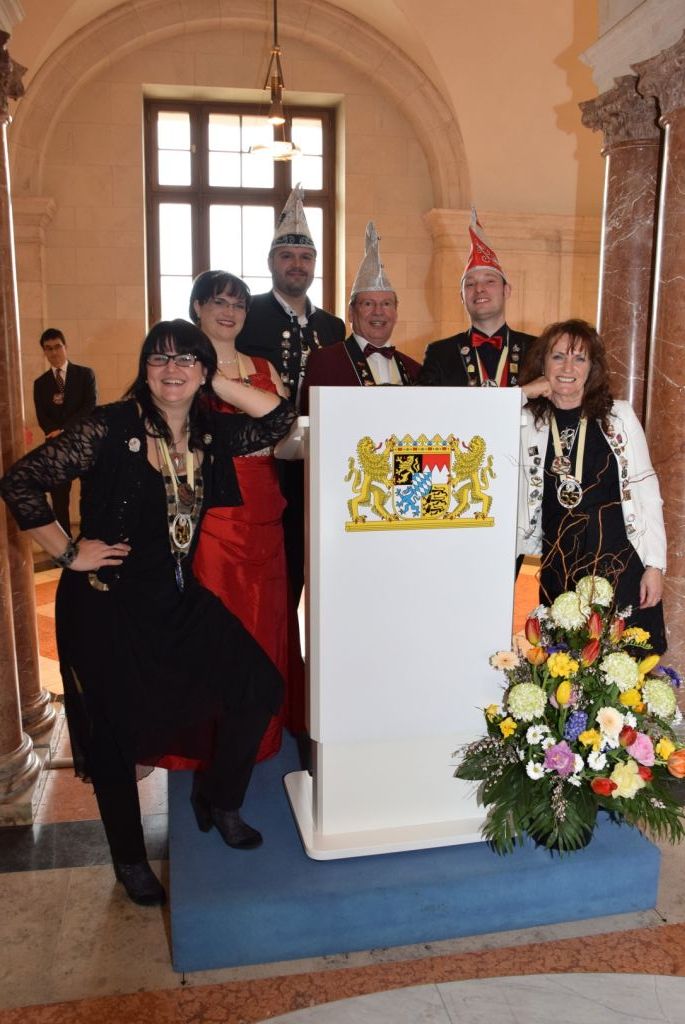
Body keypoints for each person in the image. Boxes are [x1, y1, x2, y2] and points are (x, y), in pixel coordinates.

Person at [0, 320, 295, 906]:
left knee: (258, 686)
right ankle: (130, 859)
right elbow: (21, 481)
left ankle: (220, 798)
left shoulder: (209, 430)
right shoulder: (110, 426)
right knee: (114, 736)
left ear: (203, 370)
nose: (172, 369)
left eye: (186, 359)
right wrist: (68, 551)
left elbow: (279, 419)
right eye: (159, 359)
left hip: (176, 596)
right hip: (105, 602)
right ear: (144, 368)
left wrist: (214, 379)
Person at [189, 270, 305, 755]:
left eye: (237, 304)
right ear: (198, 308)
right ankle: (215, 735)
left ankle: (262, 731)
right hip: (214, 510)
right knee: (220, 621)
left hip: (265, 503)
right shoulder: (184, 366)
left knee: (266, 617)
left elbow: (285, 435)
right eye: (218, 302)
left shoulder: (262, 366)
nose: (229, 311)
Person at [517, 318, 667, 651]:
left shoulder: (619, 417)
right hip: (558, 569)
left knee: (627, 664)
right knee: (563, 666)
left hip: (621, 566)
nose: (567, 367)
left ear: (592, 368)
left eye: (579, 358)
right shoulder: (526, 420)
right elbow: (479, 422)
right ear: (542, 363)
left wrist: (655, 565)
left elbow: (647, 491)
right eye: (558, 357)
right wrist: (524, 393)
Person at [237, 184, 345, 603]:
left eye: (305, 257)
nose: (297, 265)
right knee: (271, 573)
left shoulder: (333, 326)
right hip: (264, 463)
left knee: (318, 566)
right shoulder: (247, 315)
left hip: (319, 464)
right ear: (271, 262)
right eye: (287, 256)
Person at [300, 221, 420, 412]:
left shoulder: (415, 370)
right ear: (351, 313)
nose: (378, 311)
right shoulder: (324, 362)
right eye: (368, 304)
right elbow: (312, 421)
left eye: (386, 304)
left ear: (396, 313)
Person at [419, 209, 541, 395]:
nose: (479, 289)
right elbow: (423, 405)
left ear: (506, 290)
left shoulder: (535, 349)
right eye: (470, 284)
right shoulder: (440, 353)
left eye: (489, 281)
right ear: (462, 297)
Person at [33, 328, 97, 535]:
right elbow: (42, 416)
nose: (54, 352)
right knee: (59, 498)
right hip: (56, 449)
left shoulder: (85, 375)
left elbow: (89, 407)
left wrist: (63, 429)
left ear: (65, 347)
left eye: (57, 347)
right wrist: (56, 433)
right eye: (48, 348)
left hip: (83, 443)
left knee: (90, 494)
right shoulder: (40, 383)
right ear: (44, 352)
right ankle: (65, 542)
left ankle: (89, 535)